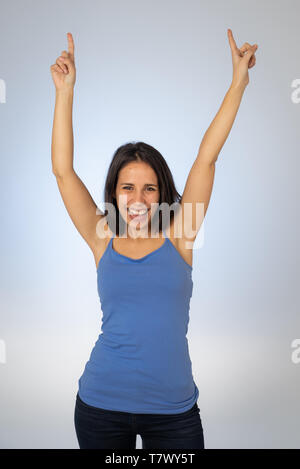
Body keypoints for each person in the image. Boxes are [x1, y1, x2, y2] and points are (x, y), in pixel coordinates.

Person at [50, 30, 258, 449]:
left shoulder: (181, 234)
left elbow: (207, 157)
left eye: (149, 188)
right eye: (128, 187)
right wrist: (65, 92)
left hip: (173, 412)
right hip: (100, 406)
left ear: (162, 192)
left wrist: (238, 83)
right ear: (114, 193)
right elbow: (63, 171)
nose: (138, 199)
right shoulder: (101, 236)